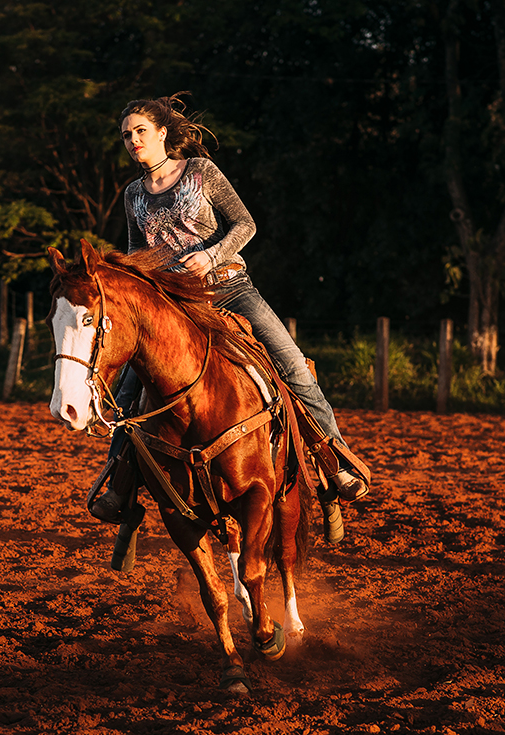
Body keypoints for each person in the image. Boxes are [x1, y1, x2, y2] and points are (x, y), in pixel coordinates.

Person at [90, 94, 367, 523]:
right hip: (174, 306)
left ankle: (336, 461)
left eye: (140, 131)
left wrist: (213, 255)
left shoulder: (200, 172)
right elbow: (135, 252)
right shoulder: (132, 196)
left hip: (230, 289)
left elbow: (246, 224)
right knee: (128, 394)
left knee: (292, 362)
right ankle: (119, 487)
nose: (133, 140)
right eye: (126, 135)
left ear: (163, 134)